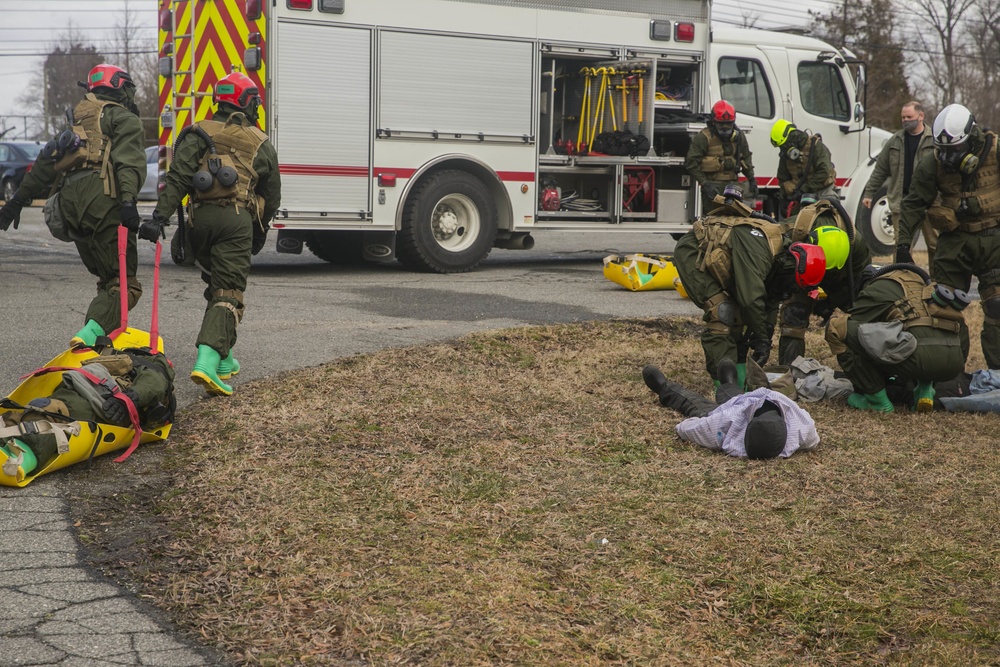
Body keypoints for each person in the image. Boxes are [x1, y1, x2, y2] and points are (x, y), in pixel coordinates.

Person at [142, 71, 281, 396]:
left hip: (198, 222)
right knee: (228, 293)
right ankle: (205, 362)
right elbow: (272, 196)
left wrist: (159, 217)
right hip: (235, 222)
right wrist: (259, 230)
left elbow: (177, 178)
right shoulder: (260, 142)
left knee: (215, 284)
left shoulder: (196, 132)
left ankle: (223, 359)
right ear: (248, 103)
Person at [0, 64, 147, 348]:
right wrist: (128, 202)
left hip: (69, 207)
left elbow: (45, 163)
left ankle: (101, 339)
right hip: (103, 202)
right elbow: (129, 163)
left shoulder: (75, 125)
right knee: (124, 283)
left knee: (107, 279)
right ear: (120, 87)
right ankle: (89, 337)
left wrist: (16, 202)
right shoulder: (124, 119)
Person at [671, 189, 828, 387]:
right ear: (793, 270)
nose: (791, 291)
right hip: (693, 253)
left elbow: (769, 300)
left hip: (724, 257)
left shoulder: (782, 261)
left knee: (740, 317)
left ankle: (739, 377)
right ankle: (724, 386)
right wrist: (762, 339)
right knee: (722, 312)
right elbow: (751, 299)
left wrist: (764, 335)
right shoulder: (761, 253)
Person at [896, 103, 1000, 369]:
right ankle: (948, 373)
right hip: (955, 243)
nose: (949, 157)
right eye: (944, 150)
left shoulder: (995, 151)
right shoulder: (934, 162)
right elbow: (914, 202)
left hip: (994, 240)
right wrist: (904, 244)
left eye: (955, 150)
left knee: (997, 307)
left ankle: (998, 377)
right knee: (943, 310)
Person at [1, 346, 175, 478]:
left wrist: (128, 399)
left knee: (53, 414)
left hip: (100, 402)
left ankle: (19, 459)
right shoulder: (117, 356)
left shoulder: (155, 365)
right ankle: (11, 437)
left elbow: (155, 382)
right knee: (40, 410)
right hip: (84, 389)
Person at [824, 263, 970, 412]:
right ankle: (925, 391)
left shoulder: (877, 287)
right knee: (925, 331)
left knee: (837, 328)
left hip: (919, 358)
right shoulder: (926, 287)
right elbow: (960, 326)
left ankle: (878, 402)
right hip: (953, 366)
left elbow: (858, 327)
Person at [641, 359, 819, 459]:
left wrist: (699, 419)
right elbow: (813, 441)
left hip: (734, 410)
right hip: (744, 403)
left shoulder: (720, 426)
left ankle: (664, 387)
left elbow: (685, 428)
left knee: (694, 403)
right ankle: (728, 384)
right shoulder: (805, 427)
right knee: (733, 396)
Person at [776, 198, 870, 364]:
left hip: (841, 280)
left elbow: (863, 283)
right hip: (804, 271)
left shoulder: (857, 245)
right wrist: (809, 295)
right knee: (794, 314)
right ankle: (791, 370)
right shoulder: (791, 236)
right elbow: (781, 277)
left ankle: (868, 366)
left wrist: (830, 301)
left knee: (867, 313)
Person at [862, 101, 938, 272]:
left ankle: (937, 284)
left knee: (935, 245)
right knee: (901, 247)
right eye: (903, 117)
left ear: (921, 116)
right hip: (902, 203)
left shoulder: (934, 140)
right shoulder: (895, 141)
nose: (905, 120)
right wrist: (869, 193)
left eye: (909, 117)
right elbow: (880, 169)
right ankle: (901, 281)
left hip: (930, 202)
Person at [685, 100, 756, 214]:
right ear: (714, 122)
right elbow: (691, 163)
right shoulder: (704, 137)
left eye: (729, 124)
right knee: (713, 222)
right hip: (713, 186)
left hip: (733, 186)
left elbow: (746, 157)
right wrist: (705, 184)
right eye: (721, 124)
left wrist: (752, 180)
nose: (725, 128)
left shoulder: (739, 136)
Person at [770, 119, 837, 218]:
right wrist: (784, 198)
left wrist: (803, 190)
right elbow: (782, 178)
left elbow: (823, 173)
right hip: (800, 196)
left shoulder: (816, 146)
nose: (783, 149)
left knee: (828, 218)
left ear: (792, 137)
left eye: (784, 145)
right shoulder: (786, 154)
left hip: (822, 192)